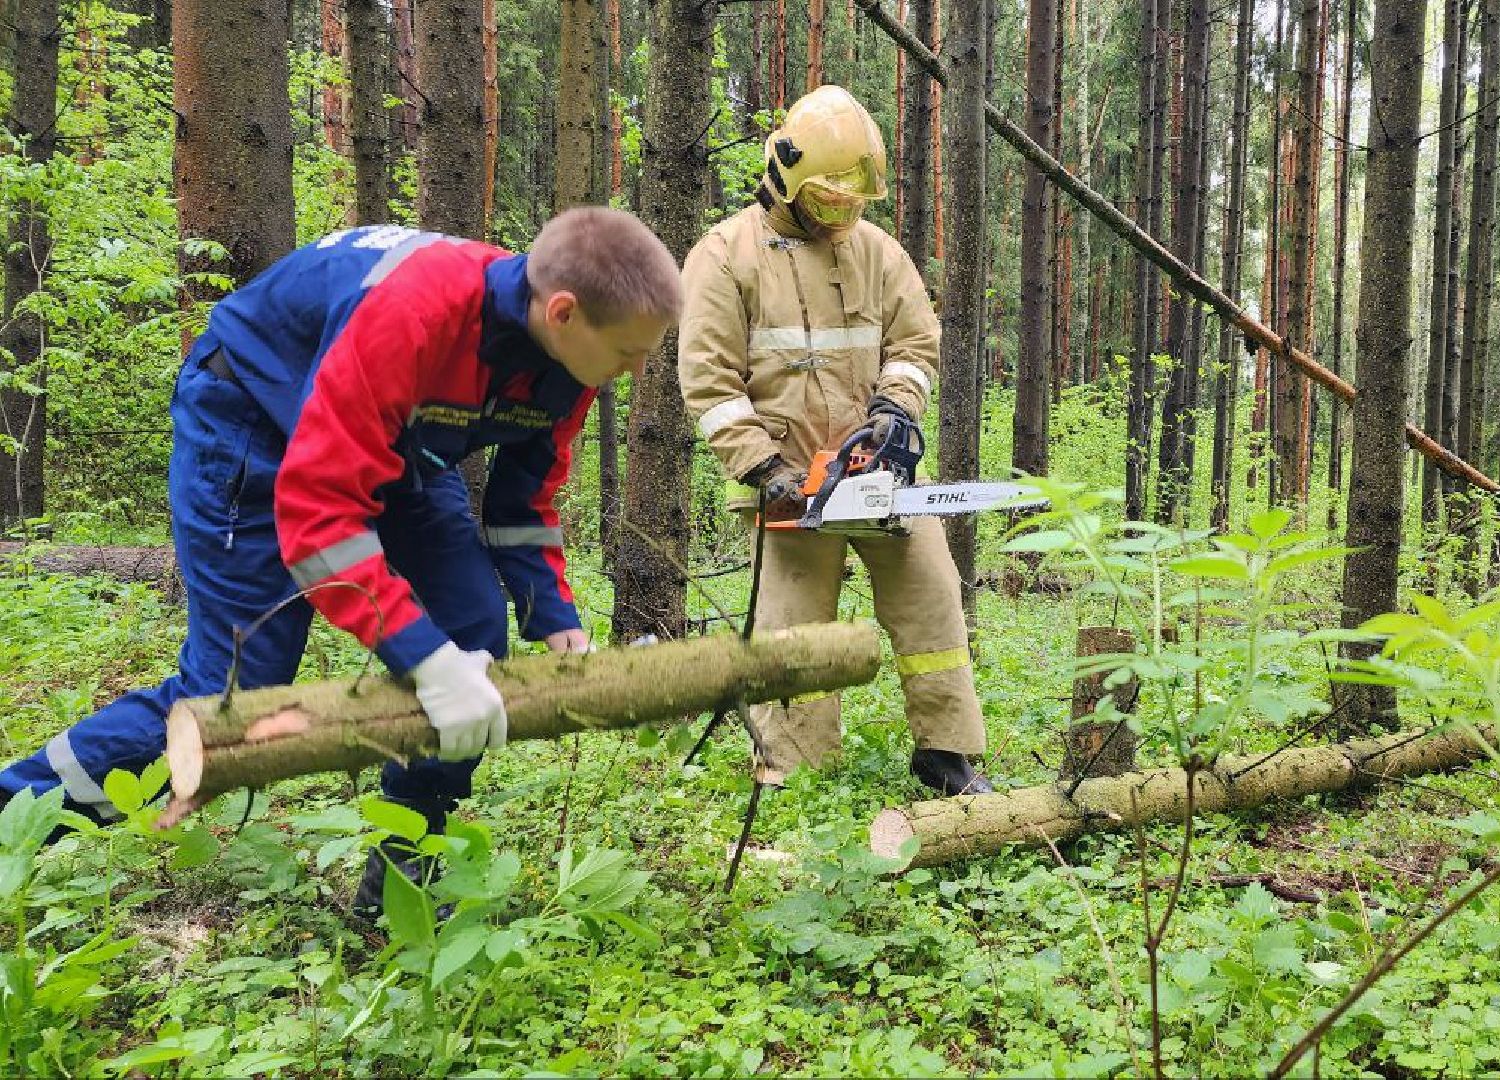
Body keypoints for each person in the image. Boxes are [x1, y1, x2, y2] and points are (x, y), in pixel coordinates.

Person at [0, 207, 682, 912]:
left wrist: (556, 622)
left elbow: (521, 506)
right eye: (629, 351)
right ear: (564, 313)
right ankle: (12, 816)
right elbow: (319, 518)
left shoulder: (568, 364)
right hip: (250, 420)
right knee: (230, 695)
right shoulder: (415, 314)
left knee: (474, 626)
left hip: (394, 440)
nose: (634, 371)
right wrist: (425, 660)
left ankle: (402, 876)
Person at [678, 85, 993, 797]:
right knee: (794, 630)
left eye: (853, 202)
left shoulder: (876, 252)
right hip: (788, 481)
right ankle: (794, 770)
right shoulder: (725, 255)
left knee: (931, 597)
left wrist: (894, 409)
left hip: (876, 474)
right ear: (786, 176)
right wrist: (764, 468)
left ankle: (944, 751)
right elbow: (708, 380)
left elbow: (914, 341)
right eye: (828, 200)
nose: (841, 214)